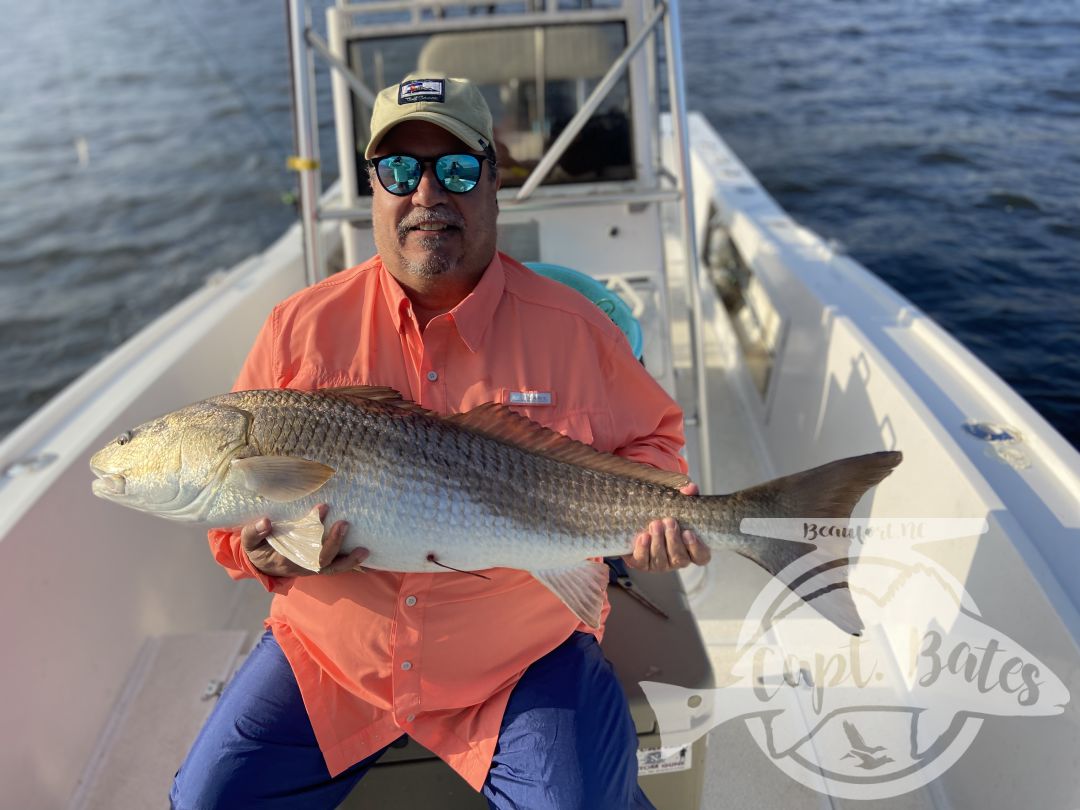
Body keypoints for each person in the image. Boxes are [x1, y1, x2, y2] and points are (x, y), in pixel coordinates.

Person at [170, 73, 711, 810]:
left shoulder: (578, 330)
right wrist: (257, 551)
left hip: (518, 660)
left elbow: (657, 444)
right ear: (374, 189)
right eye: (400, 169)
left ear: (493, 183)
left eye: (455, 168)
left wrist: (652, 519)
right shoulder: (298, 330)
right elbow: (236, 522)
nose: (428, 193)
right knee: (206, 801)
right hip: (332, 659)